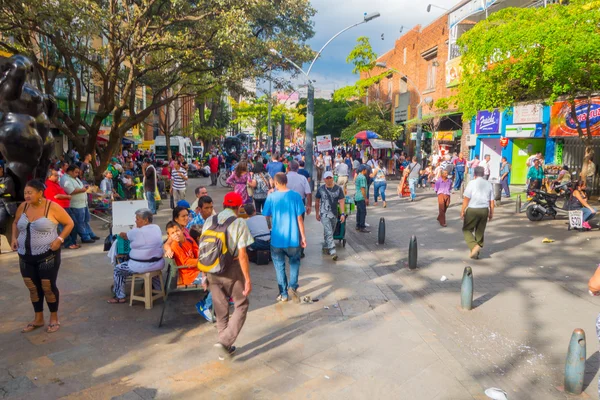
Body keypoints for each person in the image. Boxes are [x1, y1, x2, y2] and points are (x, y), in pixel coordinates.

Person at [11, 179, 74, 333]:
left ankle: (54, 317)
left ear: (40, 193)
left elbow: (69, 223)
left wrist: (59, 240)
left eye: (30, 192)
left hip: (47, 255)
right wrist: (14, 237)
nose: (26, 195)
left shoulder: (52, 207)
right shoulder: (23, 206)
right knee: (32, 287)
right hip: (25, 256)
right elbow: (15, 223)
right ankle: (38, 318)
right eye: (25, 192)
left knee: (47, 287)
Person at [202, 192, 253, 360]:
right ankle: (224, 342)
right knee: (242, 303)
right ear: (238, 207)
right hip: (230, 269)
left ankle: (224, 346)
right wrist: (247, 279)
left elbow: (203, 248)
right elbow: (243, 254)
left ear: (223, 205)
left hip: (210, 269)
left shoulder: (210, 220)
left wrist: (203, 274)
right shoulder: (239, 222)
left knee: (220, 307)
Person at [262, 173, 307, 303]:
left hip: (277, 239)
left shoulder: (272, 197)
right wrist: (303, 236)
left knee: (279, 266)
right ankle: (292, 286)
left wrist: (270, 227)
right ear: (286, 181)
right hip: (293, 239)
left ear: (275, 183)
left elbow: (266, 214)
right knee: (294, 264)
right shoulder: (296, 196)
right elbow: (300, 219)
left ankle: (283, 294)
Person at [108, 209, 164, 303]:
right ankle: (158, 289)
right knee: (151, 266)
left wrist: (121, 234)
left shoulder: (136, 231)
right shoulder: (156, 228)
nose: (135, 221)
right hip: (157, 263)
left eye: (137, 219)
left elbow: (125, 236)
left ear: (146, 220)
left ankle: (119, 296)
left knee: (118, 269)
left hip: (141, 265)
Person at [460, 166, 494, 260]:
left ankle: (474, 246)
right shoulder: (488, 184)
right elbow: (491, 201)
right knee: (480, 231)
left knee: (466, 229)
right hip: (484, 209)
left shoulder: (471, 183)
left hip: (473, 209)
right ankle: (476, 252)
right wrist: (491, 213)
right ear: (483, 174)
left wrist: (462, 210)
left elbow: (466, 198)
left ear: (474, 174)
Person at [61, 165, 98, 244]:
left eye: (78, 172)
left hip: (83, 203)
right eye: (76, 172)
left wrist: (84, 188)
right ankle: (85, 237)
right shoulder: (65, 179)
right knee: (80, 222)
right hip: (76, 205)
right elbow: (70, 191)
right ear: (70, 171)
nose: (77, 174)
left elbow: (80, 187)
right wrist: (82, 190)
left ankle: (89, 233)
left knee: (86, 220)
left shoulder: (75, 178)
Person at [315, 171, 345, 261]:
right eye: (327, 178)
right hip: (324, 213)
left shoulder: (338, 189)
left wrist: (342, 213)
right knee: (328, 231)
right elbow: (317, 201)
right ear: (324, 179)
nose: (328, 180)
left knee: (330, 231)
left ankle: (326, 245)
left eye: (330, 178)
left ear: (333, 178)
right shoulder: (320, 189)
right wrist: (317, 213)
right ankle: (333, 251)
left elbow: (342, 201)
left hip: (334, 214)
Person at [44, 169, 78, 250]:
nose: (57, 177)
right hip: (58, 208)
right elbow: (56, 196)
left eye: (58, 175)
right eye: (55, 175)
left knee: (74, 223)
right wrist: (67, 196)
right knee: (64, 226)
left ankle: (73, 241)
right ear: (49, 176)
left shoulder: (56, 184)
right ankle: (68, 243)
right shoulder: (48, 185)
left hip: (65, 206)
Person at [0, 160, 16, 238]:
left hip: (4, 203)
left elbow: (4, 190)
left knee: (1, 221)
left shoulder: (7, 179)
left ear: (1, 169)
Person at [354, 165, 369, 233]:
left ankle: (358, 225)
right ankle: (362, 226)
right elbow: (362, 188)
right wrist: (365, 198)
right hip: (361, 196)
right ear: (363, 170)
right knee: (363, 212)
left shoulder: (358, 176)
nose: (367, 171)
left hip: (357, 196)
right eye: (366, 170)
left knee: (359, 212)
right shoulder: (362, 177)